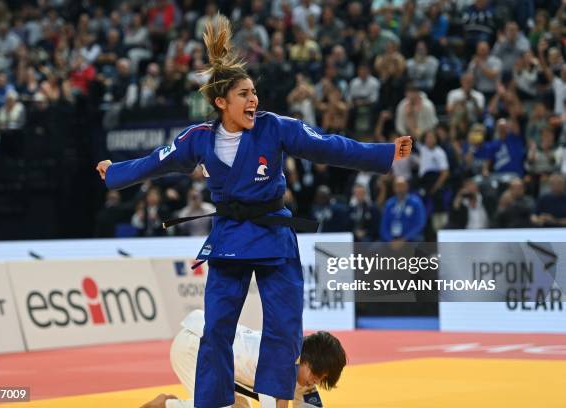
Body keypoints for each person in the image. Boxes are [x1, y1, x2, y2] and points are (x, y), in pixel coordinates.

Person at [97, 15, 411, 408]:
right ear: (221, 102)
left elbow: (330, 145)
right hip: (229, 235)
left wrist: (382, 153)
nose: (253, 101)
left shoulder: (275, 127)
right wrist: (116, 174)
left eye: (254, 93)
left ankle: (282, 403)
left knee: (285, 325)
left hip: (273, 233)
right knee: (217, 330)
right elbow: (153, 162)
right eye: (244, 94)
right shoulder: (198, 139)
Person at [140, 309, 346, 408]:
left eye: (322, 378)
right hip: (195, 346)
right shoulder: (278, 364)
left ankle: (173, 404)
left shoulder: (304, 375)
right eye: (317, 374)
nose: (316, 381)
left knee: (241, 406)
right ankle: (164, 406)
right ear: (307, 359)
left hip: (220, 355)